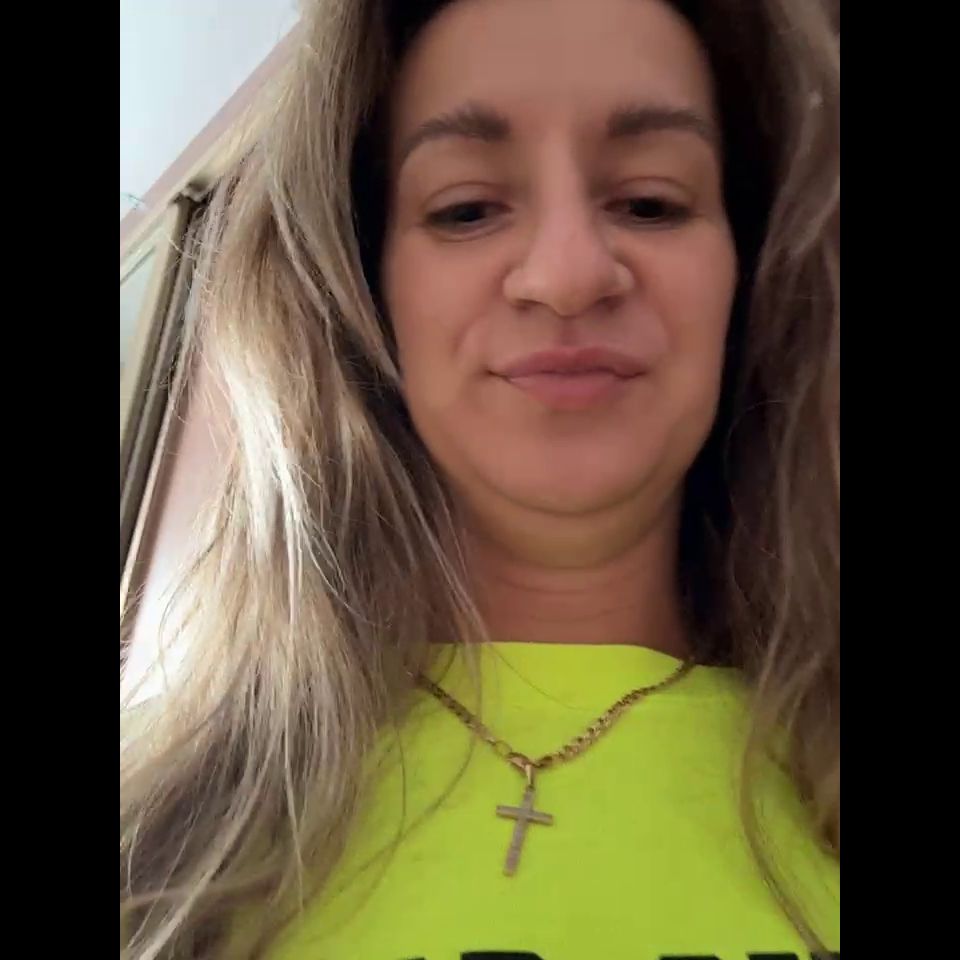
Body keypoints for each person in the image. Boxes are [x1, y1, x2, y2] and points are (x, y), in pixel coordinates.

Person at [120, 0, 840, 957]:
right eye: (465, 209)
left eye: (651, 201)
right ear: (362, 288)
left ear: (748, 275)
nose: (568, 273)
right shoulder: (154, 831)